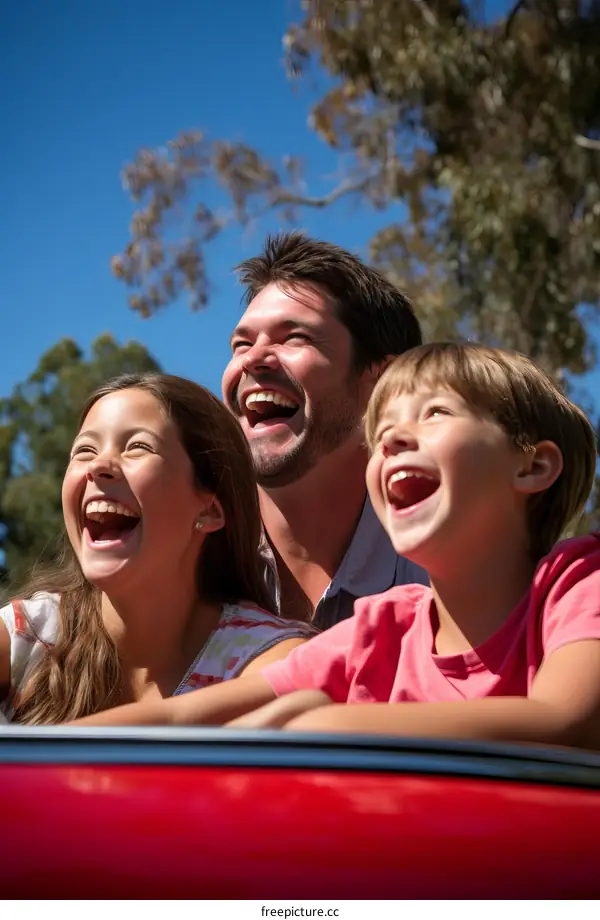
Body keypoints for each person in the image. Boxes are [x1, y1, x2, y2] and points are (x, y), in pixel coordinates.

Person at [73, 344, 600, 753]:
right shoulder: (381, 632)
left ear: (532, 466)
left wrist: (327, 728)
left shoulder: (576, 586)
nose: (392, 439)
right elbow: (180, 716)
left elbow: (563, 720)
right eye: (383, 430)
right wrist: (44, 756)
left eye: (435, 413)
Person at [0, 373, 315, 724]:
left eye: (137, 446)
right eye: (85, 450)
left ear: (209, 511)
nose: (98, 466)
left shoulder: (270, 659)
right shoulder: (26, 639)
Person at [221, 231, 428, 630]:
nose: (254, 360)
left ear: (383, 382)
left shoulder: (454, 579)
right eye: (241, 345)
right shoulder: (175, 562)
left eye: (294, 337)